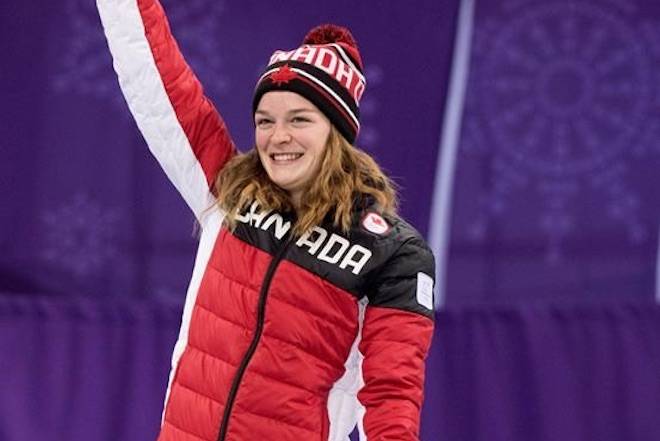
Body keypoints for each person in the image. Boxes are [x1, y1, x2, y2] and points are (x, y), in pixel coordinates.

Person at [97, 0, 435, 440]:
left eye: (299, 120)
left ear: (337, 132)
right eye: (265, 121)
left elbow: (392, 393)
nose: (279, 137)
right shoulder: (229, 191)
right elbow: (156, 82)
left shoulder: (392, 253)